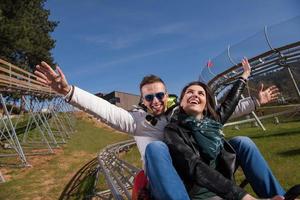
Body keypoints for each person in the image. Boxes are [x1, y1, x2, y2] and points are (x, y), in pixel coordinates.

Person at [34, 61, 282, 199]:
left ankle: (280, 196)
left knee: (241, 141)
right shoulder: (138, 121)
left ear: (167, 95)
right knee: (156, 147)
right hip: (169, 183)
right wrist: (68, 92)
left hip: (196, 172)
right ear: (143, 100)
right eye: (149, 97)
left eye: (159, 95)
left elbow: (218, 114)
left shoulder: (180, 114)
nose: (155, 100)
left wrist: (255, 102)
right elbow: (106, 110)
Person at [163, 58, 282, 199]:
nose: (195, 94)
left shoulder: (213, 122)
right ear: (181, 103)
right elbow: (194, 166)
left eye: (201, 93)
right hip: (202, 190)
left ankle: (281, 196)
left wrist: (245, 75)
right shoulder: (173, 130)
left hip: (224, 178)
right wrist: (241, 196)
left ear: (206, 103)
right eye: (190, 92)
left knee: (243, 142)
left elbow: (230, 102)